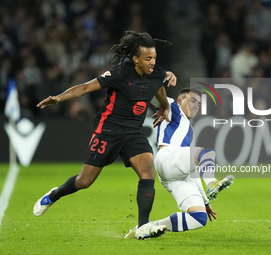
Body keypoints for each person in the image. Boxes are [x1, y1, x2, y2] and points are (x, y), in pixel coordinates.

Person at [33, 31, 177, 240]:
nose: (152, 62)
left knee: (147, 169)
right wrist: (59, 98)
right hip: (108, 130)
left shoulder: (157, 74)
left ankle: (143, 225)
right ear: (135, 59)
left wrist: (164, 107)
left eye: (154, 57)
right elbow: (85, 87)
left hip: (133, 132)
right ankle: (54, 195)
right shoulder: (120, 73)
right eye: (148, 59)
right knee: (84, 181)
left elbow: (159, 89)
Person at [125, 87, 234, 238]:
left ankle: (146, 227)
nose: (196, 105)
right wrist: (162, 76)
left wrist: (205, 202)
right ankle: (212, 183)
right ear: (180, 101)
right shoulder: (171, 107)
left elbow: (194, 170)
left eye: (199, 104)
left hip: (178, 175)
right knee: (207, 153)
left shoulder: (191, 133)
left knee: (199, 218)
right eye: (193, 101)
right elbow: (153, 92)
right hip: (168, 157)